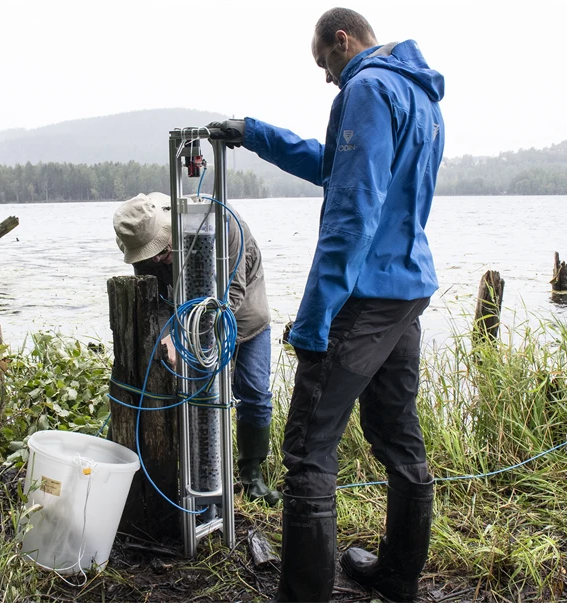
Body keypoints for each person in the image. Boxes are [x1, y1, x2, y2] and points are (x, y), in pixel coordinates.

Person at [207, 7, 446, 603]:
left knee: (309, 451)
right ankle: (396, 575)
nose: (326, 77)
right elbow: (333, 164)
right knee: (398, 434)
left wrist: (313, 319)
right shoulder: (420, 97)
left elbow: (353, 209)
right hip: (406, 288)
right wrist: (255, 134)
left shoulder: (366, 88)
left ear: (343, 40)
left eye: (324, 62)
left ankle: (303, 596)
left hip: (364, 297)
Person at [112, 192, 282, 506]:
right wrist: (167, 337)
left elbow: (234, 292)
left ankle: (252, 475)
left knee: (255, 392)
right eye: (150, 257)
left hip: (245, 314)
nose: (158, 261)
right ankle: (206, 478)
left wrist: (183, 336)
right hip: (191, 324)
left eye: (162, 253)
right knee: (204, 400)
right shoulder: (145, 246)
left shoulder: (222, 222)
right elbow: (158, 300)